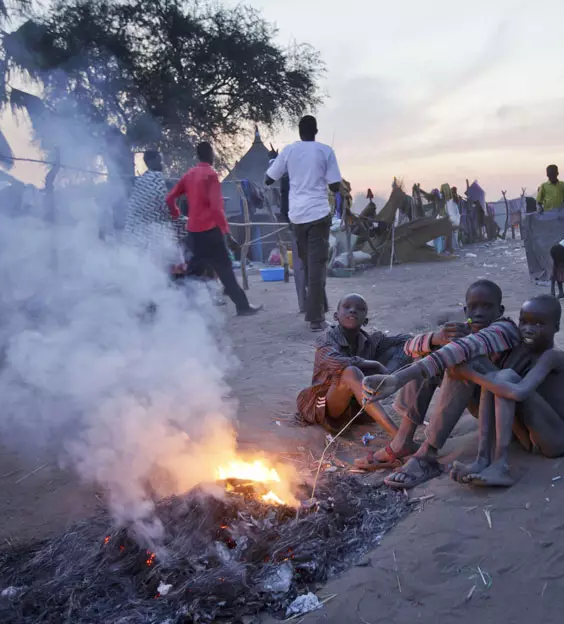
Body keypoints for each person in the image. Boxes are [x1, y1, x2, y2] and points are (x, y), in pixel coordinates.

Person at [361, 280, 521, 489]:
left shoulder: (505, 329)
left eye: (487, 307)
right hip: (482, 403)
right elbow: (409, 348)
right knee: (430, 353)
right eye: (474, 307)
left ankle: (427, 454)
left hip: (507, 412)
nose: (479, 313)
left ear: (499, 311)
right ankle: (403, 441)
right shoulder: (465, 331)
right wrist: (438, 337)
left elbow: (465, 349)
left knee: (460, 361)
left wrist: (398, 379)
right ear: (465, 310)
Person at [448, 296, 564, 486]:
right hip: (532, 436)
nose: (528, 329)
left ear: (556, 327)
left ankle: (500, 465)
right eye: (524, 322)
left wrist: (469, 374)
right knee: (496, 378)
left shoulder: (554, 356)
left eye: (538, 324)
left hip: (558, 439)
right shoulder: (526, 352)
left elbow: (519, 393)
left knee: (504, 379)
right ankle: (482, 459)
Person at [265, 115, 343, 331]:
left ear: (299, 133)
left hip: (297, 217)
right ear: (316, 131)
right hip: (317, 214)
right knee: (317, 266)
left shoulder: (289, 150)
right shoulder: (325, 150)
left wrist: (280, 164)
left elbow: (269, 178)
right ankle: (316, 319)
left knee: (309, 265)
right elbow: (336, 186)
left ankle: (320, 307)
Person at [166, 142, 262, 315]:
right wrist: (227, 233)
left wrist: (176, 213)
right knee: (224, 269)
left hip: (194, 232)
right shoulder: (210, 175)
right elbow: (216, 209)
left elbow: (170, 198)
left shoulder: (189, 175)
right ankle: (242, 306)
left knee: (193, 271)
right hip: (211, 231)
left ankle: (177, 305)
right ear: (209, 154)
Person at [296, 294, 411, 437]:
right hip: (327, 408)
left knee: (407, 348)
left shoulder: (371, 342)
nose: (352, 311)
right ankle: (399, 437)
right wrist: (373, 364)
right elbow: (335, 360)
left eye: (359, 308)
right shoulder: (326, 339)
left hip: (356, 408)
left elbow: (408, 341)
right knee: (350, 371)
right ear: (336, 316)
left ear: (366, 320)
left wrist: (389, 374)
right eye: (347, 307)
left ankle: (373, 408)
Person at [125, 150, 179, 257]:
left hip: (134, 229)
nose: (161, 163)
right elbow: (164, 208)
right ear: (150, 162)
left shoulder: (140, 180)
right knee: (184, 225)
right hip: (149, 229)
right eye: (158, 160)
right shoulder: (156, 178)